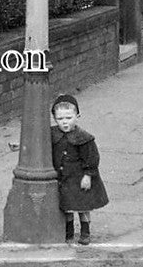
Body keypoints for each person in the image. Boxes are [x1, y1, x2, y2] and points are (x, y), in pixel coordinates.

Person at [50, 93, 108, 245]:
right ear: (55, 118)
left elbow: (92, 158)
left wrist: (88, 176)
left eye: (68, 118)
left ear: (77, 116)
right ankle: (68, 233)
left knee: (83, 207)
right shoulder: (52, 134)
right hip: (64, 178)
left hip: (79, 178)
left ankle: (85, 232)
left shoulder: (84, 138)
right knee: (67, 207)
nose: (64, 122)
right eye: (60, 119)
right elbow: (38, 143)